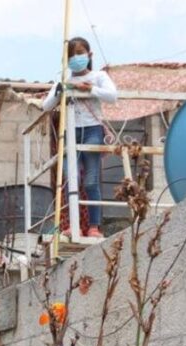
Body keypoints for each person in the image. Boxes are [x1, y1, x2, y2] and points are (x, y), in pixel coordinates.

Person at [42, 36, 118, 238]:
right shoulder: (64, 81)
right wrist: (59, 91)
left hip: (93, 129)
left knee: (91, 180)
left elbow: (113, 96)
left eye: (79, 53)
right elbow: (46, 106)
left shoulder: (98, 76)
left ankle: (94, 226)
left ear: (89, 55)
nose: (76, 58)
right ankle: (72, 225)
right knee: (70, 179)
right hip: (70, 132)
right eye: (71, 55)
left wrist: (90, 89)